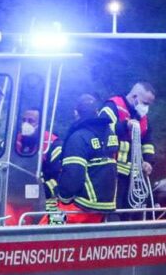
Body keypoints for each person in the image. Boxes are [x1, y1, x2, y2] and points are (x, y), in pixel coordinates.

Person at [55, 93, 118, 223]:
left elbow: (73, 175)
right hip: (105, 207)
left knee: (45, 230)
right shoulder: (110, 134)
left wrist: (64, 197)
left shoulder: (78, 137)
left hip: (81, 206)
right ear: (96, 112)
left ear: (76, 113)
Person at [98, 82, 157, 218]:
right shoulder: (113, 106)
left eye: (149, 104)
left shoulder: (143, 118)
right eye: (145, 103)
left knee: (129, 213)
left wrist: (148, 161)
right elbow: (101, 131)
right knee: (112, 212)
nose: (146, 108)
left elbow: (147, 142)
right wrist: (124, 125)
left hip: (133, 175)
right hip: (111, 172)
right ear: (134, 96)